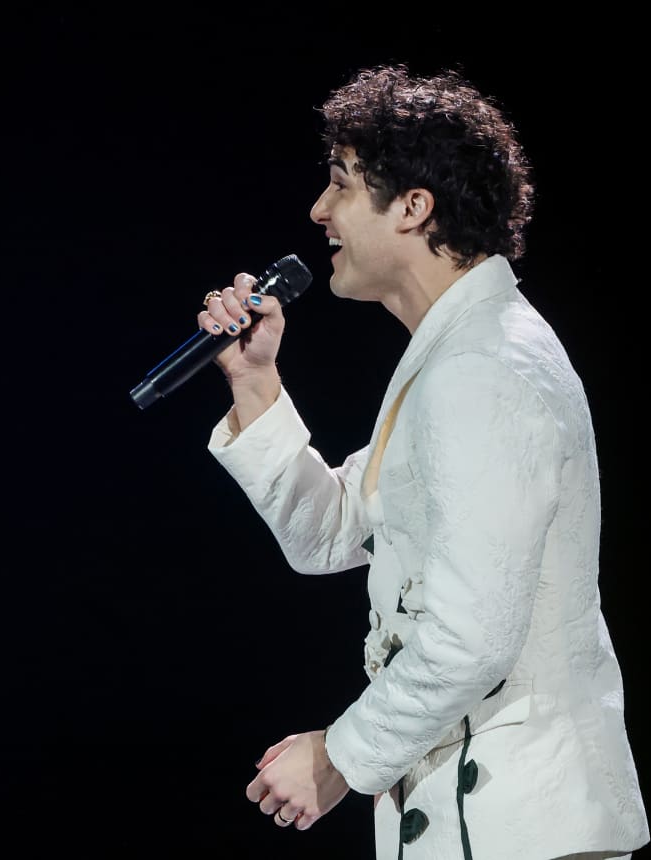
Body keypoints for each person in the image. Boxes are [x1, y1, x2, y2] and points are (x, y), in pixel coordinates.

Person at [195, 65, 648, 858]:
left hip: (518, 829)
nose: (318, 211)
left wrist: (339, 757)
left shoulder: (484, 369)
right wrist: (256, 383)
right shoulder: (462, 354)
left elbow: (472, 637)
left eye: (340, 184)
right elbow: (330, 534)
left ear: (413, 207)